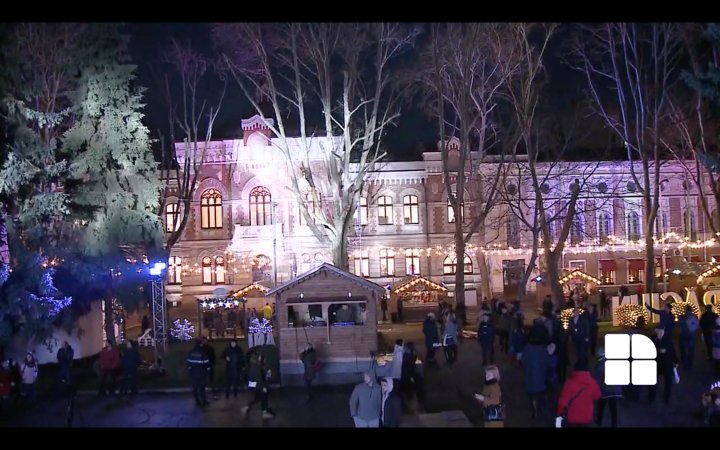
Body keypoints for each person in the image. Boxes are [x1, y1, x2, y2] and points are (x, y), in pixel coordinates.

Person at [556, 361, 601, 428]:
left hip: (572, 417)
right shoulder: (592, 382)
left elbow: (563, 401)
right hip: (586, 417)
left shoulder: (569, 383)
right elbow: (597, 396)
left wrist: (559, 414)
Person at [523, 330, 550, 418]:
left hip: (530, 374)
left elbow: (524, 361)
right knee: (540, 392)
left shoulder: (527, 348)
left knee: (532, 394)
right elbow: (547, 361)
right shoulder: (542, 349)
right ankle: (540, 407)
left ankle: (534, 409)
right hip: (541, 374)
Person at [593, 346, 622, 427]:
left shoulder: (599, 365)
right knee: (613, 407)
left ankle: (599, 421)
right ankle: (614, 422)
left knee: (601, 406)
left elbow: (597, 380)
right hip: (615, 390)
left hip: (605, 390)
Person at [649, 328, 679, 404]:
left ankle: (667, 397)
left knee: (668, 381)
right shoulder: (652, 340)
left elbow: (672, 350)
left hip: (667, 364)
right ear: (655, 331)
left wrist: (675, 360)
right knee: (653, 381)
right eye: (659, 331)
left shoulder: (668, 340)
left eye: (662, 331)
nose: (660, 333)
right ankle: (652, 396)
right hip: (656, 364)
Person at [243, 352, 274, 419]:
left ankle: (247, 407)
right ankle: (264, 412)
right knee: (263, 396)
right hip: (258, 385)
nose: (260, 358)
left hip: (253, 385)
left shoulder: (254, 365)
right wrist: (263, 387)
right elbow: (258, 378)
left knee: (256, 397)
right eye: (260, 357)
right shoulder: (256, 367)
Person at [187, 340, 210, 407]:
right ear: (200, 345)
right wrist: (207, 371)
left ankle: (197, 401)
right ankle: (204, 401)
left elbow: (188, 363)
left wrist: (190, 371)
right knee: (202, 388)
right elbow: (206, 363)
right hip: (201, 373)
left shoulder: (191, 352)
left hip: (193, 373)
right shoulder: (202, 352)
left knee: (195, 388)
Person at [679, 305, 700, 370]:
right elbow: (697, 325)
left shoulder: (681, 317)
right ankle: (689, 364)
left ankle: (684, 363)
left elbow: (678, 326)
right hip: (691, 334)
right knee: (691, 350)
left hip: (683, 334)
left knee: (683, 350)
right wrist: (692, 330)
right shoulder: (694, 317)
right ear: (691, 310)